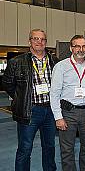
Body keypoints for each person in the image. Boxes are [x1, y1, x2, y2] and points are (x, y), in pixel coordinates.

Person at [2, 29, 58, 171]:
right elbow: (7, 83)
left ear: (46, 42)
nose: (39, 42)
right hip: (30, 110)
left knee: (50, 147)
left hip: (50, 111)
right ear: (29, 41)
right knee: (25, 148)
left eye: (42, 39)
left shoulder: (55, 62)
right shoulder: (17, 62)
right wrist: (21, 97)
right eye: (35, 39)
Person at [50, 35, 85, 170]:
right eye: (77, 46)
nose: (81, 49)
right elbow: (54, 93)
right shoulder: (61, 66)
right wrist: (58, 117)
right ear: (71, 48)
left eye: (84, 46)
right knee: (67, 149)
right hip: (68, 112)